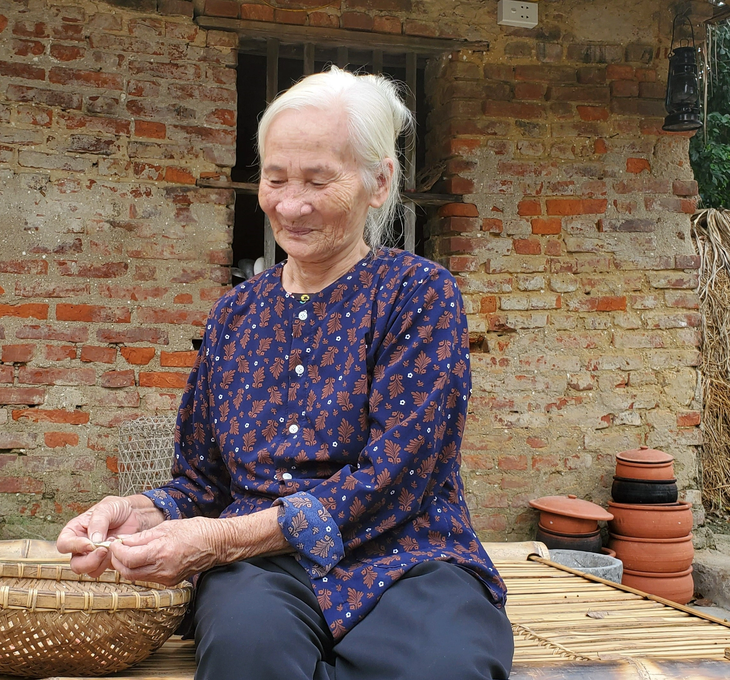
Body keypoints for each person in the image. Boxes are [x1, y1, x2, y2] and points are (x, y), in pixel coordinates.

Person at [57, 66, 514, 680]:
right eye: (274, 179)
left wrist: (216, 541)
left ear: (378, 183)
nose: (289, 204)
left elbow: (397, 477)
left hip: (409, 555)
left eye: (318, 181)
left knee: (444, 667)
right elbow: (201, 485)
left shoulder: (418, 295)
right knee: (250, 657)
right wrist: (138, 513)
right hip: (260, 570)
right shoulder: (235, 316)